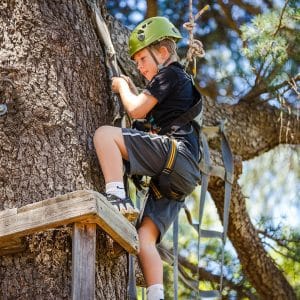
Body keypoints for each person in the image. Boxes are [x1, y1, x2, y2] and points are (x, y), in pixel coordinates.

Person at [93, 16, 201, 300]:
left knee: (105, 135)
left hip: (175, 156)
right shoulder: (174, 90)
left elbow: (136, 111)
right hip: (181, 176)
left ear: (163, 53)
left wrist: (123, 88)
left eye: (142, 59)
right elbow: (144, 123)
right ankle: (156, 294)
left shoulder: (171, 74)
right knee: (145, 238)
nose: (139, 68)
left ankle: (117, 199)